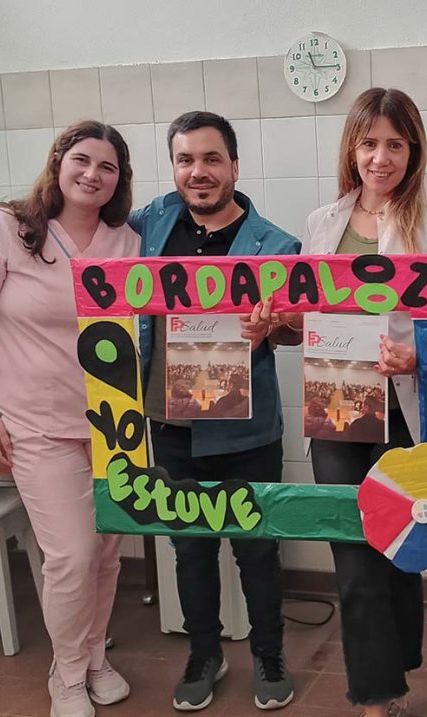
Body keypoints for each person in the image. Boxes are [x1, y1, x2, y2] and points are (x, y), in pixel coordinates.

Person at [0, 121, 139, 717]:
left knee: (107, 552)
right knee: (72, 557)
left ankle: (93, 659)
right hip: (35, 424)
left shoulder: (127, 241)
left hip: (114, 427)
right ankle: (66, 675)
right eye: (82, 160)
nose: (92, 175)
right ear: (58, 162)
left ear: (120, 180)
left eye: (107, 167)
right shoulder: (7, 229)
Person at [296, 87, 427, 717]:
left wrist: (418, 357)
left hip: (402, 407)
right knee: (353, 550)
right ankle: (376, 696)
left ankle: (395, 662)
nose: (381, 157)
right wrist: (274, 321)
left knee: (401, 542)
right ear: (352, 148)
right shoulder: (320, 224)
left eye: (396, 144)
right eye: (370, 143)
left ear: (413, 151)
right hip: (335, 404)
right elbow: (306, 312)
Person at [129, 111, 301, 712]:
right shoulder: (151, 224)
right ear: (174, 167)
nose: (197, 172)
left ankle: (269, 653)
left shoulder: (277, 246)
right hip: (168, 422)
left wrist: (274, 325)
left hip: (245, 428)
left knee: (256, 545)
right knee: (190, 545)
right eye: (185, 160)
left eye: (210, 159)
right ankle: (204, 654)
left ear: (233, 165)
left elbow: (298, 334)